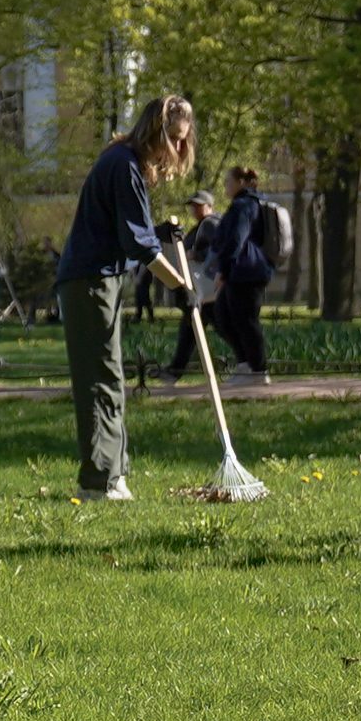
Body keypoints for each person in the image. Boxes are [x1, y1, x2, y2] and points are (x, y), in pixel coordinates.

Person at [53, 95, 195, 501]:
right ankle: (99, 480)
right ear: (155, 131)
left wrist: (159, 233)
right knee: (100, 378)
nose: (178, 149)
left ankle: (114, 474)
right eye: (174, 138)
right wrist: (180, 288)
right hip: (89, 281)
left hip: (101, 279)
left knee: (111, 376)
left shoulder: (123, 162)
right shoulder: (123, 165)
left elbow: (131, 230)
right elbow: (138, 247)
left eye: (183, 140)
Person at [207, 165, 275, 384]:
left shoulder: (244, 205)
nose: (225, 185)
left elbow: (236, 239)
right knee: (223, 316)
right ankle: (245, 365)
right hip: (245, 270)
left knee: (245, 320)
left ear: (242, 182)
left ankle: (258, 371)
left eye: (228, 181)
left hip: (246, 271)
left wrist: (223, 270)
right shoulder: (247, 203)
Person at [157, 190, 221, 386]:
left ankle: (253, 365)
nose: (194, 209)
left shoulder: (210, 224)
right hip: (205, 290)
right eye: (192, 205)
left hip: (210, 289)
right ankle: (174, 372)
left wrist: (197, 254)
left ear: (209, 206)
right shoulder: (202, 226)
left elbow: (217, 249)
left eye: (199, 205)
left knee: (224, 328)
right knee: (191, 326)